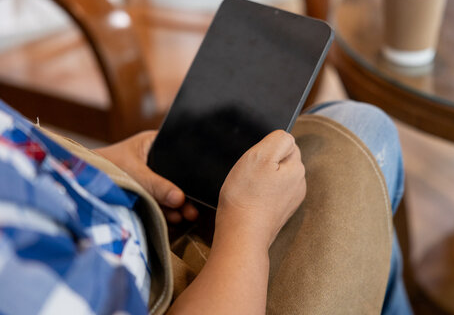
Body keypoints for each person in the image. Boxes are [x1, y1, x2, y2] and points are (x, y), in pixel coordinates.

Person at [0, 98, 412, 314]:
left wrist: (100, 165)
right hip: (173, 293)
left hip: (128, 229)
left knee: (332, 143)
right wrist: (248, 226)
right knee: (362, 133)